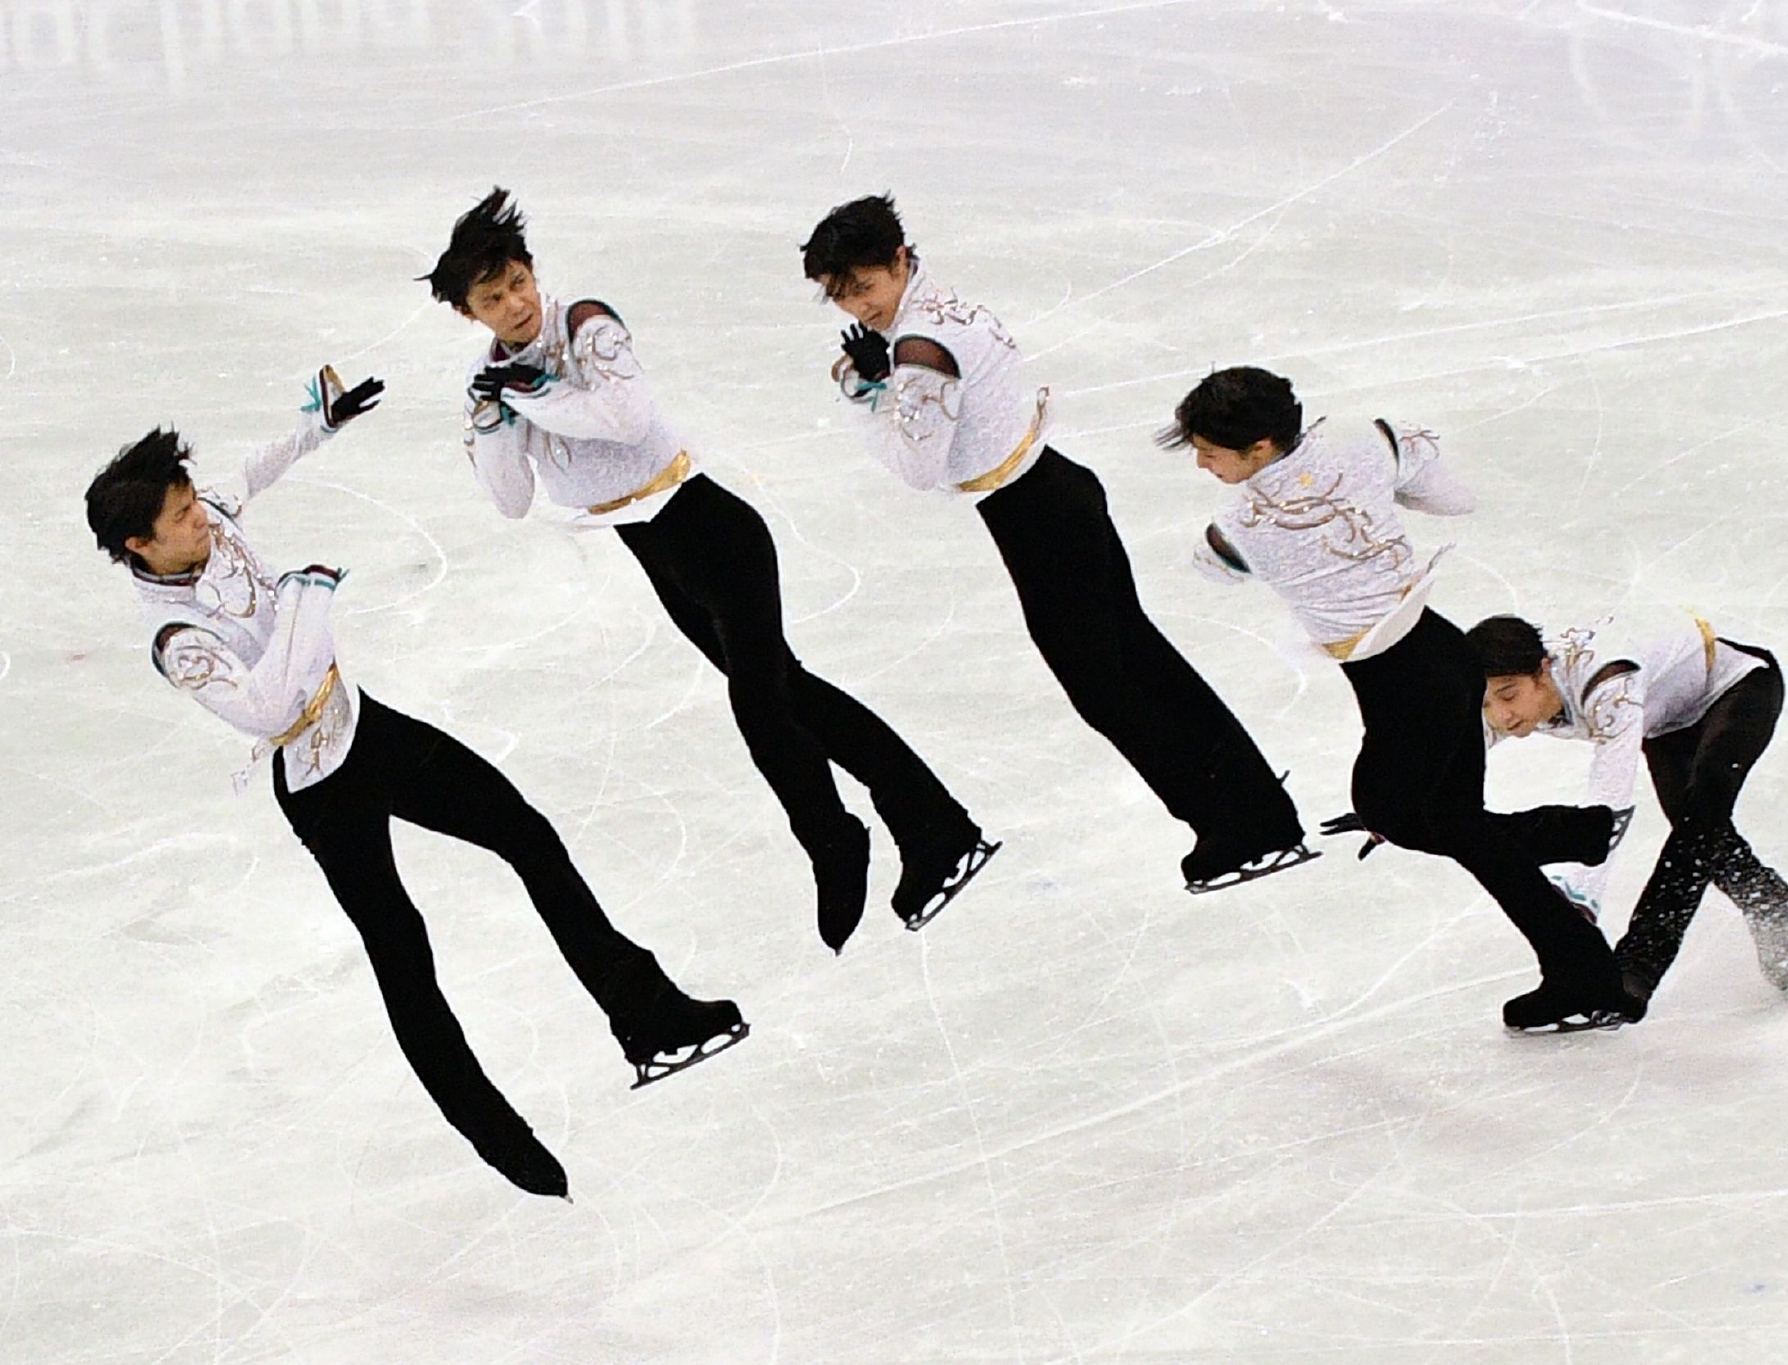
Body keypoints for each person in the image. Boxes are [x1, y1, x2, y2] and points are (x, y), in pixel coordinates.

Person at [83, 373, 746, 1198]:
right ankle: (495, 1132)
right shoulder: (177, 639)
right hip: (318, 783)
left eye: (192, 502)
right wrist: (305, 597)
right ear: (140, 545)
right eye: (182, 517)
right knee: (403, 950)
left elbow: (250, 471)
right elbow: (268, 707)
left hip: (366, 726)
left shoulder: (204, 517)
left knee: (523, 830)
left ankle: (647, 1015)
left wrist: (318, 426)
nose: (201, 519)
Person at [424, 189, 991, 953]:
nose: (516, 304)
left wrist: (537, 396)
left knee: (762, 708)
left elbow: (625, 419)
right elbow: (511, 498)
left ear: (533, 271)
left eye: (519, 282)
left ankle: (835, 840)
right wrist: (497, 422)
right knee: (797, 698)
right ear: (469, 313)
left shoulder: (586, 326)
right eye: (493, 299)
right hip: (656, 554)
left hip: (712, 530)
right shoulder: (491, 383)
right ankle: (935, 825)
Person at [801, 194, 1309, 892]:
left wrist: (864, 391)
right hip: (1058, 495)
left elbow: (917, 467)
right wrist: (889, 376)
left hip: (1037, 519)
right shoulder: (938, 309)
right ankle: (1258, 810)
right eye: (840, 297)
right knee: (1143, 664)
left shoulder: (920, 348)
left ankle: (1236, 825)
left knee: (1108, 690)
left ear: (899, 259)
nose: (859, 307)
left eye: (865, 286)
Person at [1161, 366, 1634, 1032]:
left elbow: (1212, 568)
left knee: (1395, 813)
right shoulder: (1359, 438)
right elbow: (1452, 498)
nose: (1203, 464)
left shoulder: (1244, 523)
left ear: (1260, 446)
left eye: (1211, 451)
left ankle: (1573, 852)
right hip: (1444, 655)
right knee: (1458, 826)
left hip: (1406, 686)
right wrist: (1375, 488)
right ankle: (1580, 954)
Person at [1468, 611, 1788, 1011]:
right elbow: (1451, 751)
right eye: (1487, 703)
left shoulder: (1609, 684)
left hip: (1738, 688)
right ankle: (1769, 900)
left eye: (1508, 696)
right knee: (1702, 833)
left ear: (1543, 671)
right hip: (1666, 724)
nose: (1501, 715)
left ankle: (1639, 967)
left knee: (1701, 816)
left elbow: (1608, 806)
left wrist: (1581, 896)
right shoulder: (1509, 700)